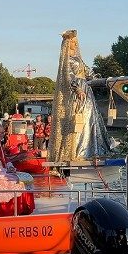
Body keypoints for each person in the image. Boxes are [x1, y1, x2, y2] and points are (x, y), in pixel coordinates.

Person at [47, 30, 111, 162]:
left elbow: (87, 71)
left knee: (91, 118)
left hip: (86, 90)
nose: (75, 45)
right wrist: (77, 89)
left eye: (76, 42)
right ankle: (77, 151)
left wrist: (102, 80)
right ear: (67, 43)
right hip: (78, 92)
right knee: (78, 119)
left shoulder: (78, 58)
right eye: (73, 42)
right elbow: (68, 76)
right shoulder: (66, 60)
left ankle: (94, 149)